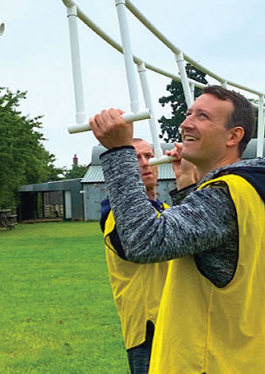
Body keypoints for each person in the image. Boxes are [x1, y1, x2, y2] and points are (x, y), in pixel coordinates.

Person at [90, 86, 265, 373]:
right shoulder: (251, 189)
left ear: (233, 136)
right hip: (242, 358)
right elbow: (209, 249)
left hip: (208, 361)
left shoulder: (225, 193)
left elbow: (143, 241)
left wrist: (119, 152)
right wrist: (188, 184)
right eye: (188, 114)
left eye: (203, 116)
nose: (185, 124)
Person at [99, 138, 168, 374]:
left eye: (149, 156)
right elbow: (145, 246)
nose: (144, 163)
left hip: (177, 320)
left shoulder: (166, 210)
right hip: (146, 328)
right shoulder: (115, 217)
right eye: (135, 158)